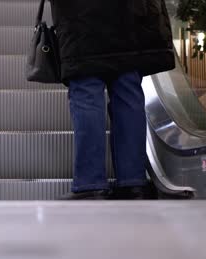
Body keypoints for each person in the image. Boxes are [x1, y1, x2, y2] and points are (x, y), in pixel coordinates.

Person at [50, 0, 176, 200]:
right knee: (127, 93)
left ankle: (90, 184)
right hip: (128, 17)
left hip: (79, 21)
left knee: (86, 94)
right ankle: (133, 183)